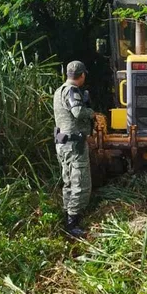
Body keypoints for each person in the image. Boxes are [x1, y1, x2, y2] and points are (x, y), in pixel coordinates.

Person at [53, 60, 94, 237]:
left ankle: (68, 215)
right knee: (80, 183)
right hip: (74, 144)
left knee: (68, 180)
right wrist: (91, 113)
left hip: (62, 143)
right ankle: (72, 224)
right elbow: (77, 112)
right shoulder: (71, 91)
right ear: (82, 75)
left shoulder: (59, 90)